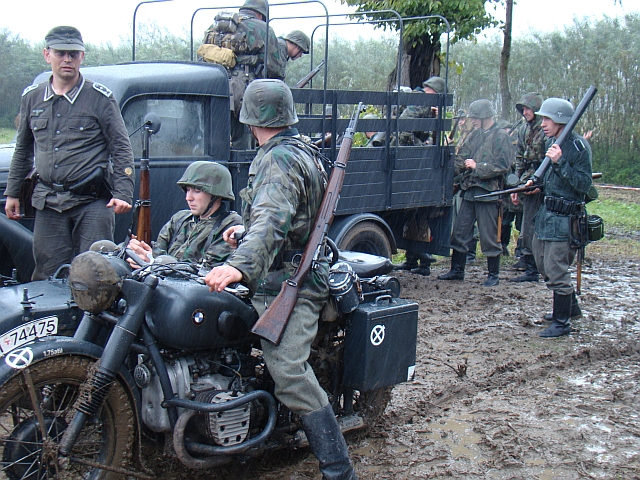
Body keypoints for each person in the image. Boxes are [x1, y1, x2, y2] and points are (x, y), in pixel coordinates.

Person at [204, 79, 358, 479]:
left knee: (288, 371)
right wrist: (244, 235)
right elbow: (284, 218)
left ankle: (340, 471)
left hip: (293, 279)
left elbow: (273, 219)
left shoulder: (278, 158)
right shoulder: (297, 150)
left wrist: (240, 265)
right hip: (279, 269)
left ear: (252, 120)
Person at [4, 26, 134, 280]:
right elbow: (23, 149)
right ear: (47, 54)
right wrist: (12, 192)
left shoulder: (99, 99)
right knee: (47, 274)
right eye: (61, 53)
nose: (67, 60)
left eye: (73, 54)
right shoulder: (33, 98)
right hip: (49, 200)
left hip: (92, 202)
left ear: (82, 57)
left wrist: (122, 192)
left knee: (95, 275)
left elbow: (121, 147)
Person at [529, 98, 592, 338]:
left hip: (565, 220)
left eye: (547, 119)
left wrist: (560, 162)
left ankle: (562, 322)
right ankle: (571, 307)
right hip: (547, 216)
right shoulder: (552, 141)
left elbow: (583, 185)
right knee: (543, 263)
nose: (543, 123)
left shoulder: (577, 147)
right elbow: (552, 180)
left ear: (561, 120)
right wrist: (535, 185)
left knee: (557, 268)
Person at [437, 99, 512, 287]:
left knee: (489, 236)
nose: (474, 121)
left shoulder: (501, 136)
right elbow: (462, 158)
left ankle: (493, 275)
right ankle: (457, 271)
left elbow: (504, 165)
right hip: (469, 191)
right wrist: (447, 170)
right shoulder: (474, 135)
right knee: (460, 232)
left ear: (485, 116)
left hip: (488, 193)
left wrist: (479, 167)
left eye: (476, 117)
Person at [199, 0, 285, 148]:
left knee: (213, 141)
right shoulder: (263, 29)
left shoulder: (216, 26)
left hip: (212, 90)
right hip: (244, 93)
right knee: (243, 144)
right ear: (261, 14)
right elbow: (275, 69)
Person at [127, 161, 241, 269]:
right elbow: (158, 248)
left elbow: (209, 270)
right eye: (188, 190)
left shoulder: (229, 225)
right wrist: (137, 249)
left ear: (216, 194)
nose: (188, 198)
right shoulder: (180, 219)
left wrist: (156, 262)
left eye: (197, 191)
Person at [393, 76, 445, 275]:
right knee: (416, 212)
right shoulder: (421, 102)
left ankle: (419, 260)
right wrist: (421, 149)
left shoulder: (419, 102)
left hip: (411, 163)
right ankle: (416, 257)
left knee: (418, 213)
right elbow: (403, 130)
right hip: (412, 161)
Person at [510, 92, 546, 282]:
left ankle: (538, 266)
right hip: (527, 180)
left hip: (544, 181)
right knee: (527, 224)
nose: (525, 112)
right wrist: (516, 186)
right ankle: (530, 267)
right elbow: (519, 159)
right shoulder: (523, 130)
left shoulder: (546, 130)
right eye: (522, 109)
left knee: (536, 225)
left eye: (528, 108)